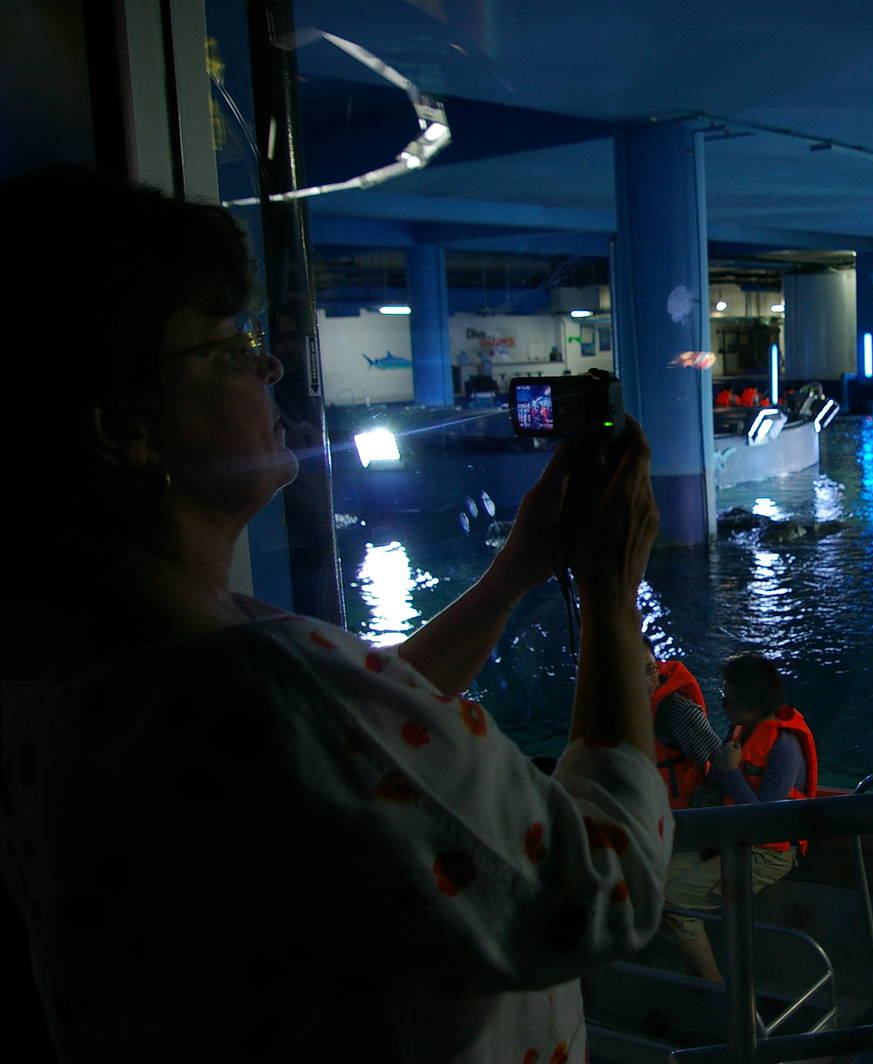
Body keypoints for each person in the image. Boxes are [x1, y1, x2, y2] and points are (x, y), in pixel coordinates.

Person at [0, 166, 671, 1062]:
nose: (269, 364)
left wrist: (508, 579)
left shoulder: (85, 680)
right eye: (228, 344)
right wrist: (614, 605)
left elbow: (356, 749)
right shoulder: (255, 684)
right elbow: (604, 890)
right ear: (123, 425)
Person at [658, 653, 818, 981]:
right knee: (653, 886)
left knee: (671, 901)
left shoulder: (784, 747)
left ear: (751, 707)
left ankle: (716, 992)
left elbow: (763, 819)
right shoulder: (741, 730)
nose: (722, 705)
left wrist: (730, 771)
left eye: (725, 699)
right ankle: (706, 984)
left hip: (764, 853)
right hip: (728, 840)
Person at [645, 637, 720, 809]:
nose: (645, 680)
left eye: (650, 670)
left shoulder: (678, 711)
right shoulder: (617, 710)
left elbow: (719, 761)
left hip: (679, 820)